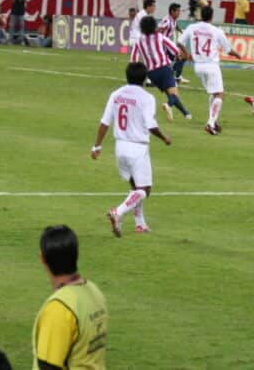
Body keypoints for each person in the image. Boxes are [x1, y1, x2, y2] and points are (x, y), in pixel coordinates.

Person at [92, 62, 172, 236]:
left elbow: (105, 121)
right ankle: (118, 212)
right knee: (144, 190)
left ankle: (140, 223)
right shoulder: (146, 98)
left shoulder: (116, 94)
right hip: (137, 148)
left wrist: (97, 145)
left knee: (135, 187)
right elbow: (151, 125)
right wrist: (164, 137)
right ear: (144, 78)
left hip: (120, 147)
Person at [32, 225, 108, 368]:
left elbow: (48, 366)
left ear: (43, 258)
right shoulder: (95, 293)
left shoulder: (59, 308)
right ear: (76, 255)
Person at [179, 5, 241, 135]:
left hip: (198, 67)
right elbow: (228, 50)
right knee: (219, 94)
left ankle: (213, 120)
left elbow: (179, 42)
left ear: (201, 15)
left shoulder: (192, 27)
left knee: (213, 93)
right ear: (212, 17)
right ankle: (210, 123)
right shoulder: (216, 31)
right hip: (211, 66)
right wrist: (237, 54)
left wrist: (187, 53)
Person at [130, 15, 191, 122]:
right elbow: (174, 48)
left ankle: (186, 113)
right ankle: (168, 105)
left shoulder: (139, 41)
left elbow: (134, 58)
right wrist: (180, 55)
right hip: (164, 68)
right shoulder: (159, 37)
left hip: (151, 73)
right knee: (174, 94)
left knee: (169, 93)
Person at [158, 2, 189, 84]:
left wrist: (181, 31)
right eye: (177, 11)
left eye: (179, 11)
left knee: (182, 57)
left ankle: (176, 76)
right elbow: (159, 29)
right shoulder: (167, 21)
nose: (179, 13)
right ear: (172, 11)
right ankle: (175, 76)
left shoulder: (173, 20)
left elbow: (175, 25)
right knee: (182, 57)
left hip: (167, 44)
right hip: (163, 45)